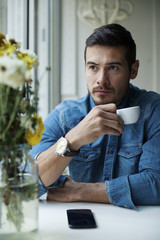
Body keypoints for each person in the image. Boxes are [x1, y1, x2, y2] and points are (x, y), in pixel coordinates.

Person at [30, 23, 160, 210]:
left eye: (113, 67)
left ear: (133, 70)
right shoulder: (64, 115)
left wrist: (78, 191)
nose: (101, 79)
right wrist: (73, 139)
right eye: (93, 67)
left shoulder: (153, 110)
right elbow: (29, 182)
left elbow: (156, 183)